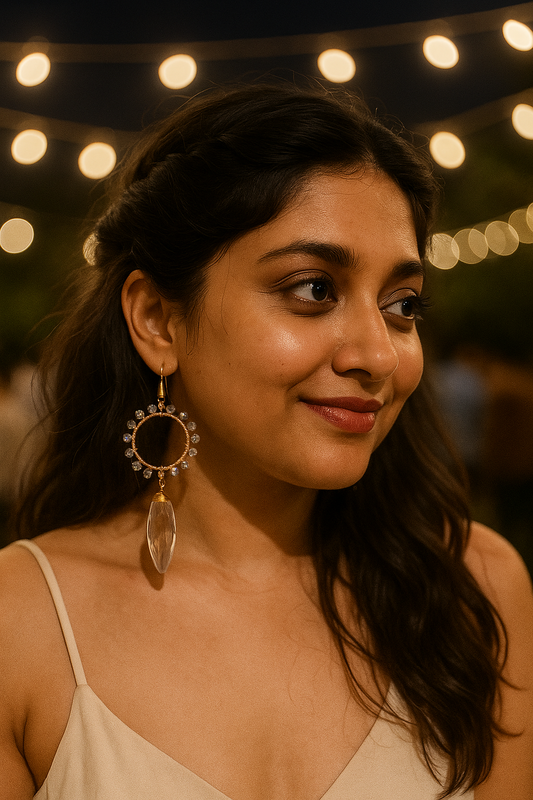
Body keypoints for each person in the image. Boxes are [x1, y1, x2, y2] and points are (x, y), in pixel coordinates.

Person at [0, 83, 531, 800]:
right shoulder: (23, 622)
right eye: (313, 289)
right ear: (158, 320)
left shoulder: (472, 590)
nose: (377, 355)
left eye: (401, 305)